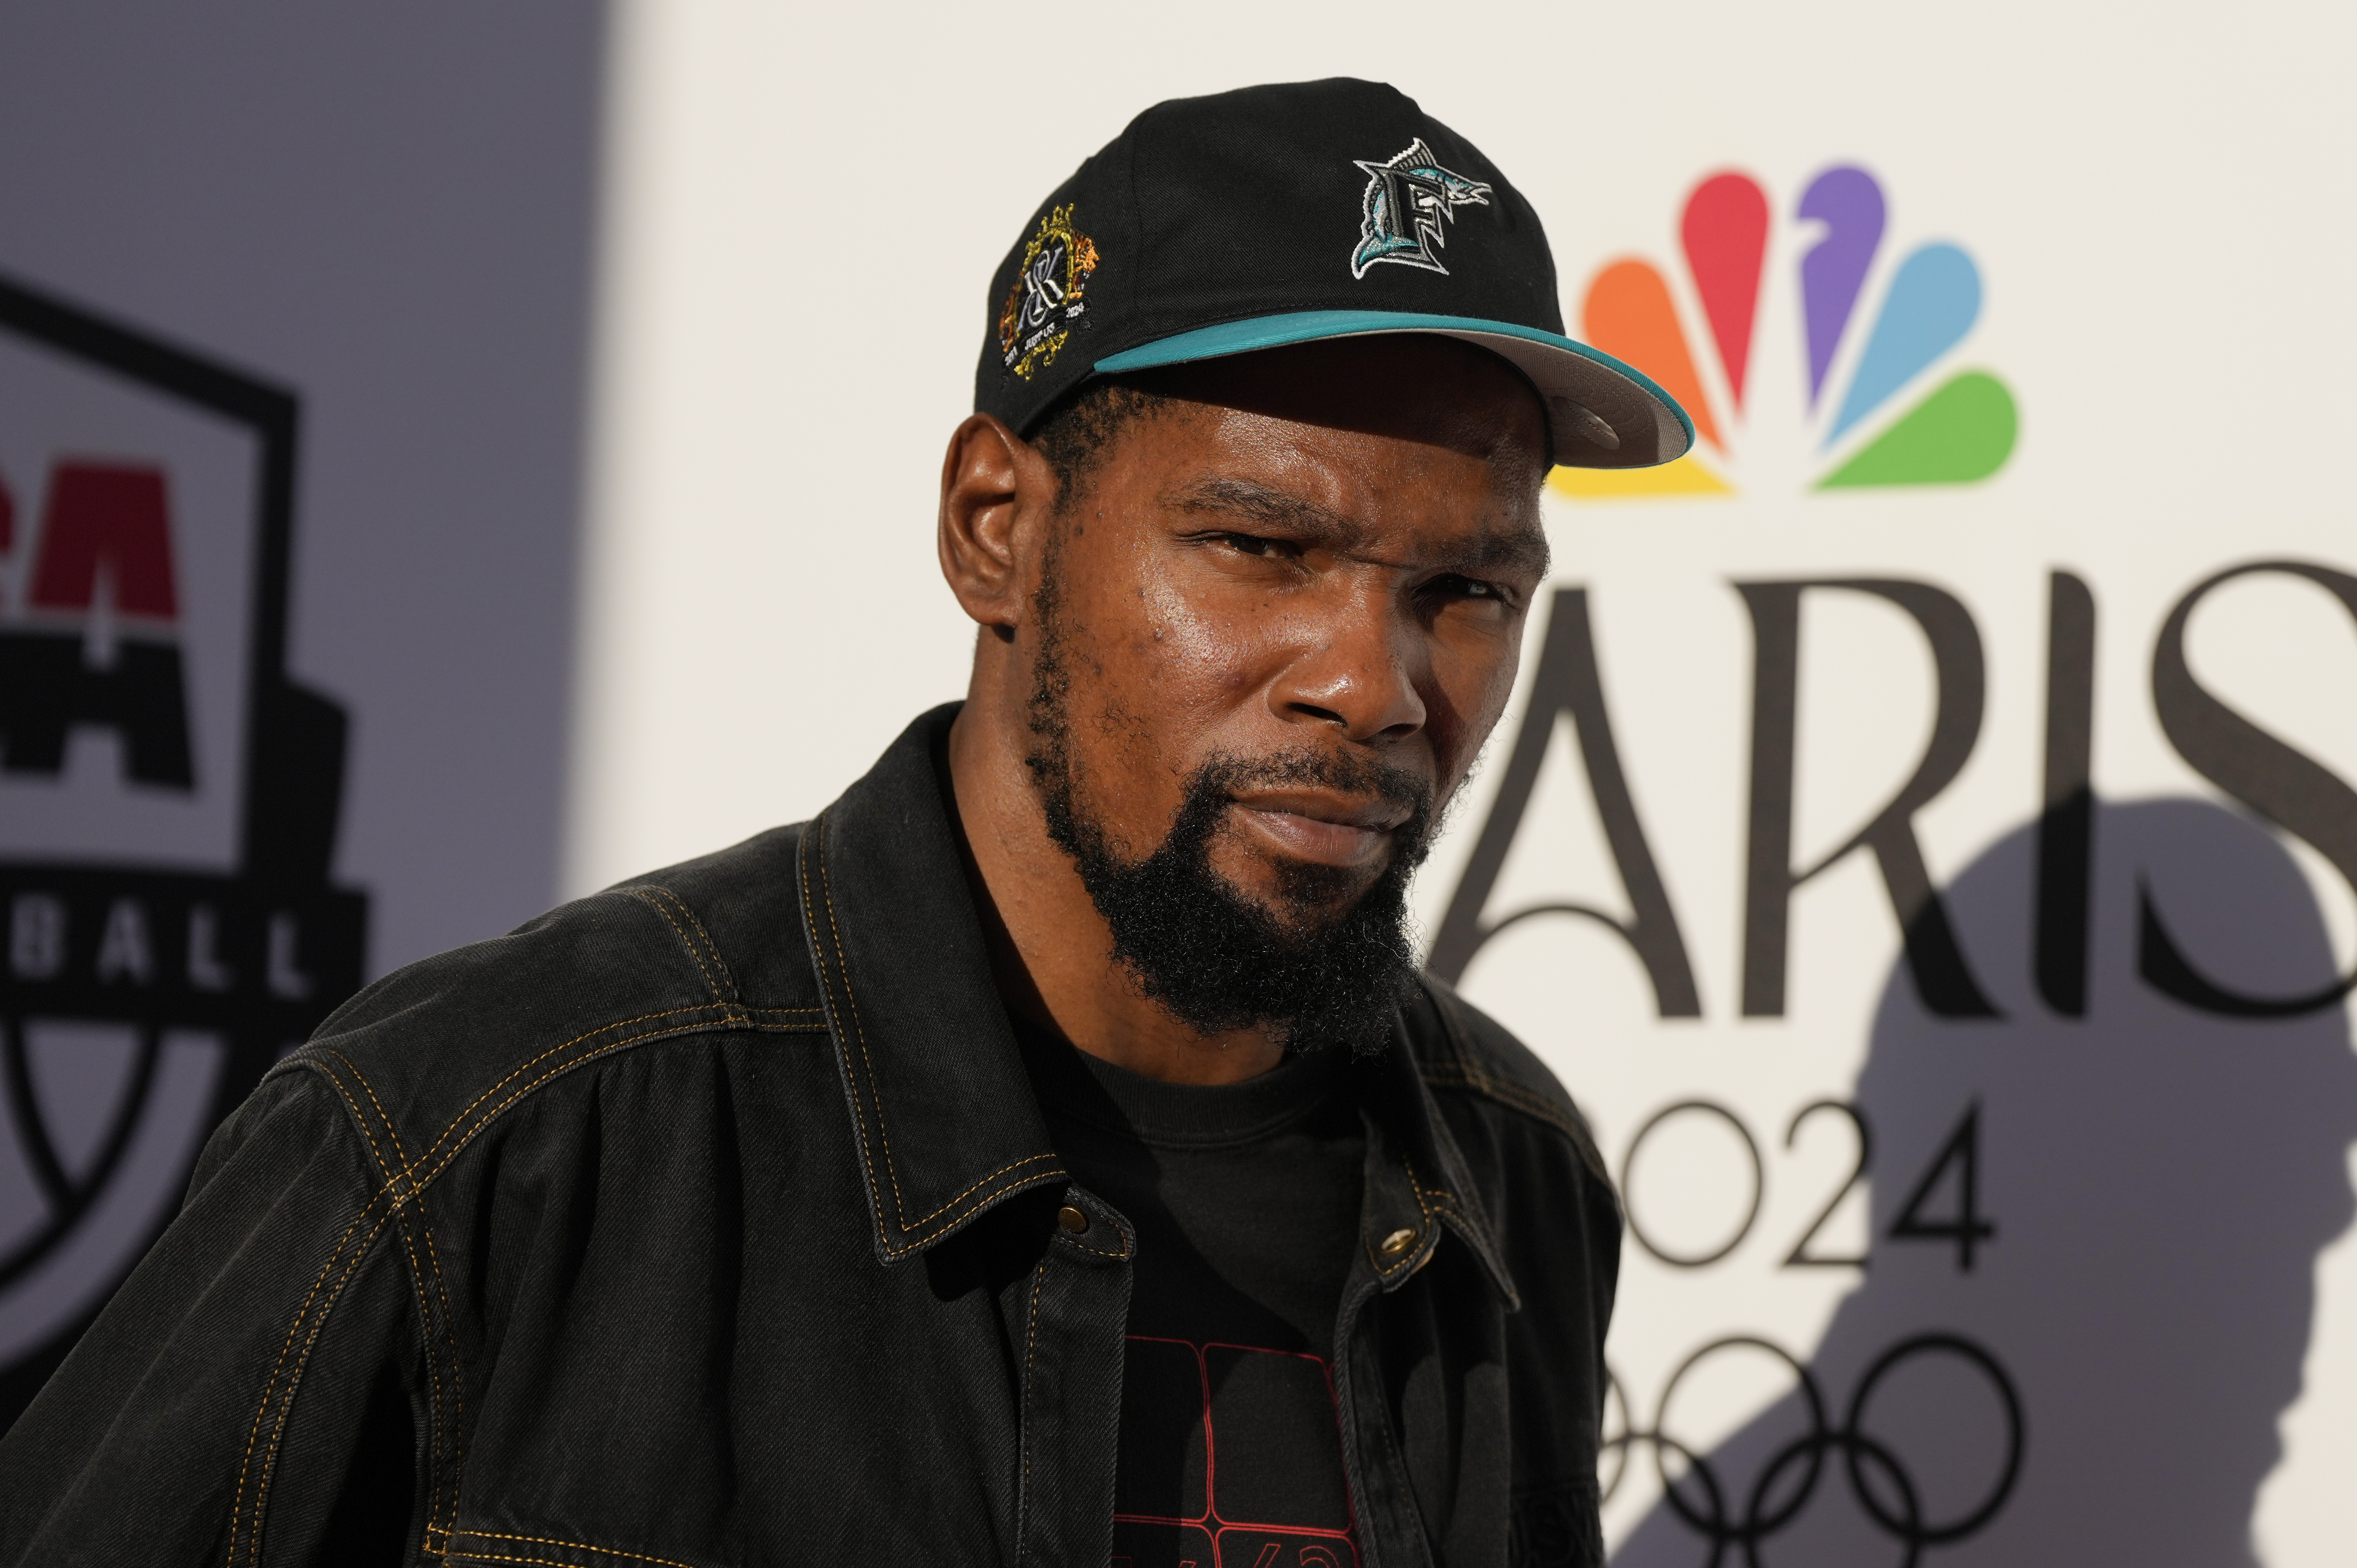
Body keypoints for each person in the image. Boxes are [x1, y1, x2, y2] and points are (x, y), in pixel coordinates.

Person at [0, 79, 1694, 1567]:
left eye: (1469, 589)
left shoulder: (1507, 1177)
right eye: (1264, 550)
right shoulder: (503, 1132)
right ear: (995, 530)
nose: (1375, 684)